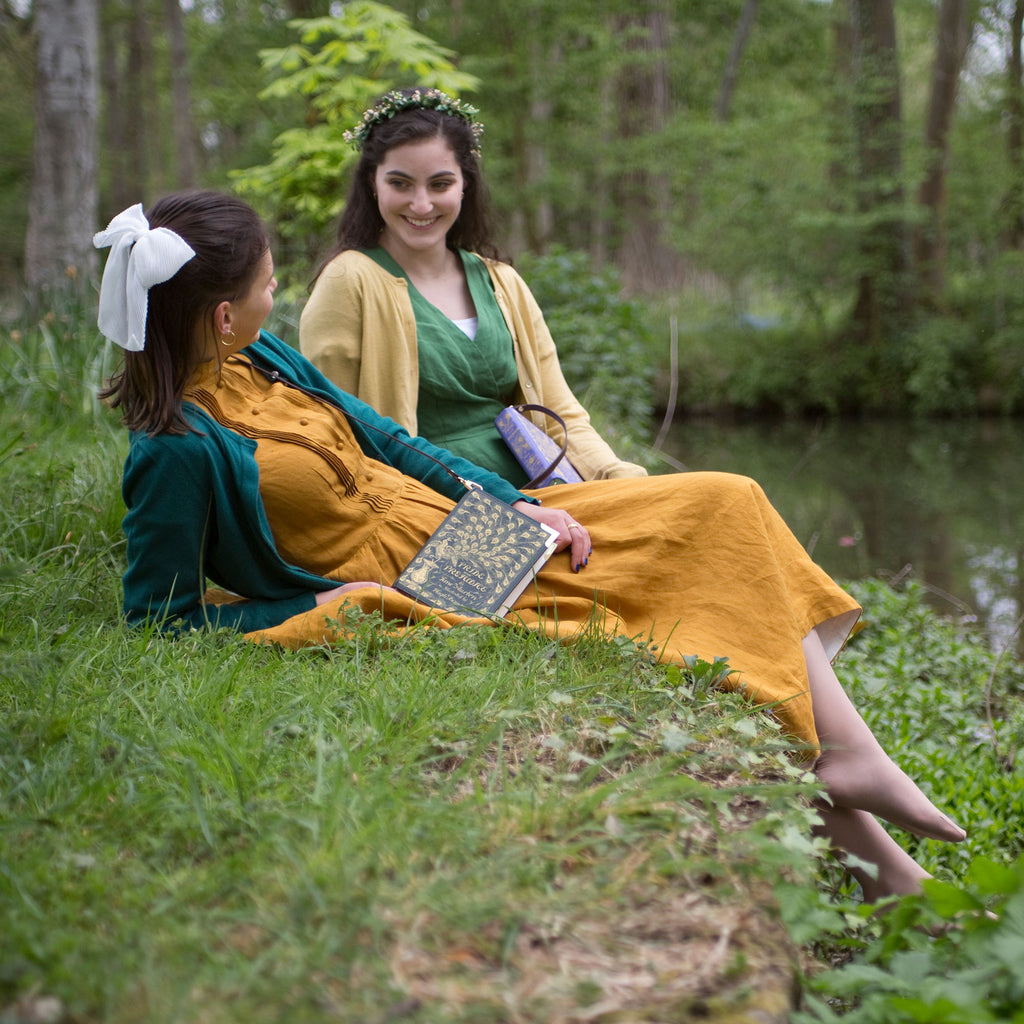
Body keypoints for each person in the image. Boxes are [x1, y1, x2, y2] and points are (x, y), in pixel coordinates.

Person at [96, 188, 965, 903]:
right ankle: (871, 820)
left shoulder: (266, 360)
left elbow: (388, 440)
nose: (275, 294)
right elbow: (155, 622)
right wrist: (321, 605)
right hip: (431, 582)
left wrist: (517, 502)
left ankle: (865, 807)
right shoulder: (174, 450)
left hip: (470, 532)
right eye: (266, 284)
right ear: (219, 316)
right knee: (691, 587)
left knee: (725, 502)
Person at [298, 87, 647, 487]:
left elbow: (560, 412)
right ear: (372, 184)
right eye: (401, 184)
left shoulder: (502, 282)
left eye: (440, 184)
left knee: (721, 496)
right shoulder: (350, 280)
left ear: (466, 184)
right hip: (431, 508)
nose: (422, 204)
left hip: (545, 493)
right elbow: (336, 430)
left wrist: (620, 477)